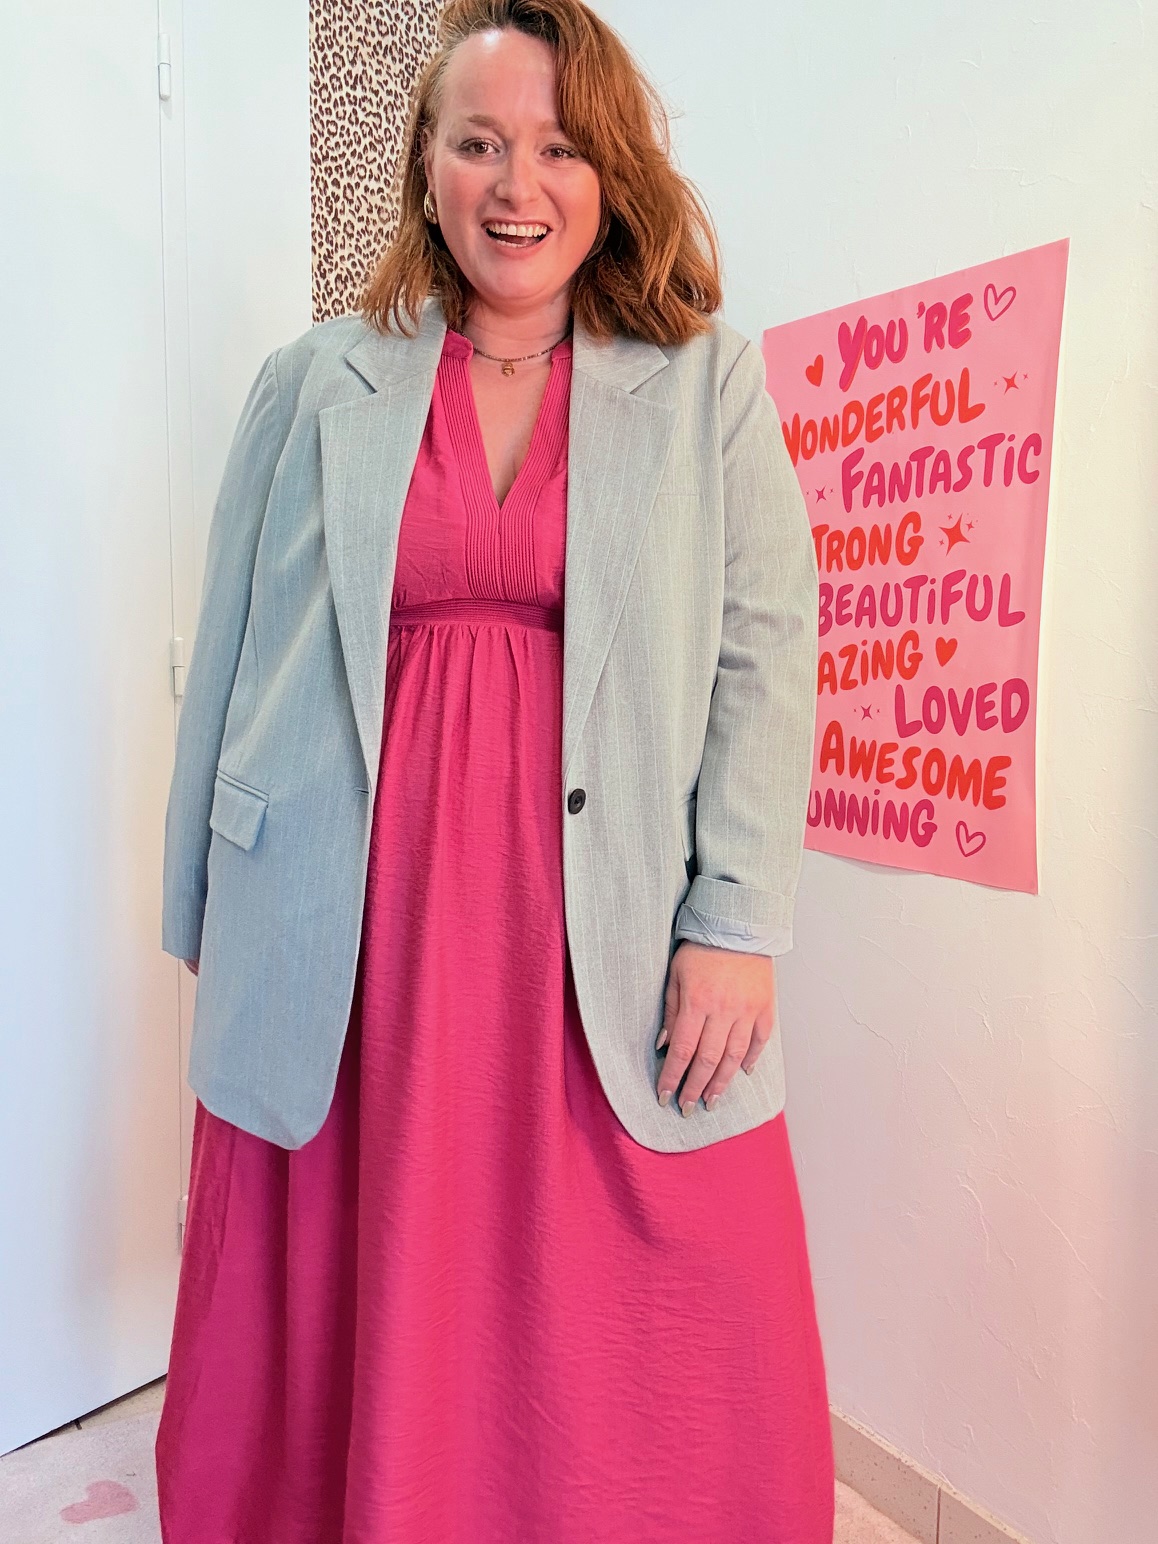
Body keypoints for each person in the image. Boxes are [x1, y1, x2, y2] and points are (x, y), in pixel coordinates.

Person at [154, 0, 832, 1537]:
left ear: (611, 173)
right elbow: (238, 642)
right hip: (347, 919)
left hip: (597, 919)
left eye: (558, 147)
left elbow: (764, 656)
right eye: (478, 143)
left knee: (654, 1261)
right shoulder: (311, 383)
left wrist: (737, 922)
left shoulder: (705, 386)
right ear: (427, 165)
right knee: (358, 1249)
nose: (516, 185)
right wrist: (205, 901)